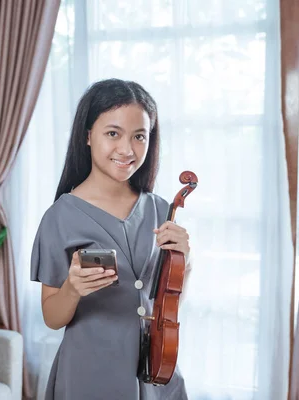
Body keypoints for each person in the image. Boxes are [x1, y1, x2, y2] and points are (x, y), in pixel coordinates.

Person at [30, 78, 192, 400]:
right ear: (88, 136)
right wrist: (72, 289)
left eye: (139, 136)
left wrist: (185, 262)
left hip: (154, 370)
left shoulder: (162, 209)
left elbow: (165, 306)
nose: (127, 149)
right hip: (89, 375)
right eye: (113, 133)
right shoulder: (59, 218)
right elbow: (52, 317)